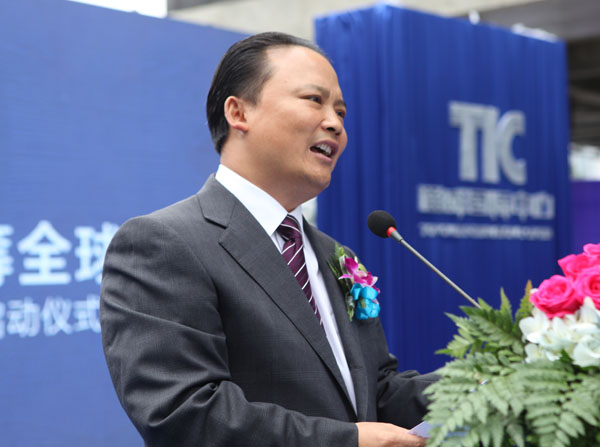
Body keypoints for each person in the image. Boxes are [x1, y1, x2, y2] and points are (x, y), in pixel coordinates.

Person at [100, 32, 436, 447]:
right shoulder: (162, 243)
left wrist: (490, 380)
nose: (335, 123)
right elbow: (183, 413)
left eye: (340, 111)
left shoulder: (336, 255)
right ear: (239, 112)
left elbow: (376, 394)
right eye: (314, 100)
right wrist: (346, 441)